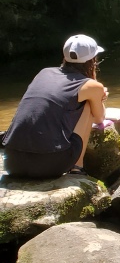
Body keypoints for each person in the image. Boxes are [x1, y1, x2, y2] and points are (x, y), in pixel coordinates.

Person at [2, 35, 107, 179]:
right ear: (92, 61)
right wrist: (98, 97)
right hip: (49, 165)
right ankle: (77, 169)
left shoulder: (43, 73)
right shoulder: (91, 85)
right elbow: (100, 118)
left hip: (13, 163)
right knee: (88, 105)